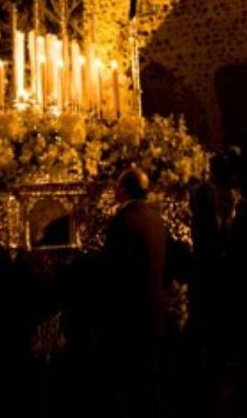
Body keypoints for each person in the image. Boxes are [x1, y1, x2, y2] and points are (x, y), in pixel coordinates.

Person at [100, 166, 167, 416]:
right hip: (154, 310)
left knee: (131, 384)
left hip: (130, 316)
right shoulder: (155, 217)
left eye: (117, 186)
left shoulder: (122, 221)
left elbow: (113, 270)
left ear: (123, 189)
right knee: (151, 381)